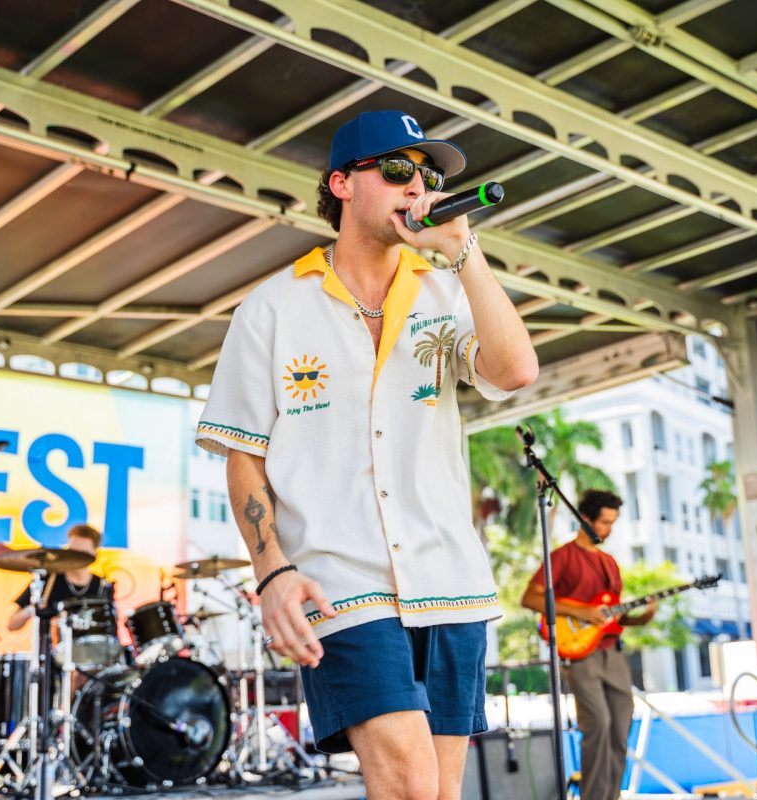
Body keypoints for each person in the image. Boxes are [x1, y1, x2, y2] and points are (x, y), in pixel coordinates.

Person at [196, 109, 537, 799]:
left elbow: (515, 371)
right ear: (342, 184)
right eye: (398, 169)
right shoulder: (273, 307)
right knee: (408, 780)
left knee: (437, 793)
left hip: (448, 578)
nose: (418, 187)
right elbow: (242, 453)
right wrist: (272, 573)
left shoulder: (445, 289)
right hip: (339, 579)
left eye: (428, 175)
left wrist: (464, 251)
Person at [520, 489, 657, 800]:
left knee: (620, 729)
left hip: (613, 654)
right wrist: (580, 611)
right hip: (580, 658)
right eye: (605, 522)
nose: (609, 529)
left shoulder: (609, 563)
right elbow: (530, 598)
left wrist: (643, 617)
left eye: (613, 523)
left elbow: (612, 621)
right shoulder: (562, 557)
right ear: (586, 519)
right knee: (599, 727)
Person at [7, 523, 110, 630]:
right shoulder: (49, 580)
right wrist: (32, 609)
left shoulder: (102, 585)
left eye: (82, 554)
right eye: (73, 552)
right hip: (54, 644)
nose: (76, 558)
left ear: (95, 555)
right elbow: (12, 624)